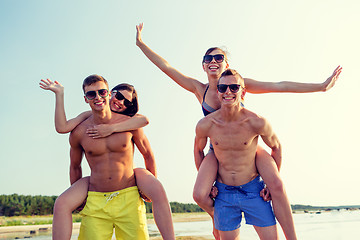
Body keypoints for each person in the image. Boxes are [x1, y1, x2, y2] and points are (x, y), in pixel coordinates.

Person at [135, 23, 342, 240]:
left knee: (277, 185)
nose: (213, 61)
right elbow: (166, 67)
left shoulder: (239, 83)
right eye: (208, 58)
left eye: (218, 58)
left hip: (247, 145)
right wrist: (141, 44)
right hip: (217, 148)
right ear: (203, 66)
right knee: (200, 194)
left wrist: (320, 86)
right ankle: (219, 217)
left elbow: (279, 85)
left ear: (226, 64)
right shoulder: (199, 89)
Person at [40, 77, 175, 240]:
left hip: (128, 194)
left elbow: (148, 154)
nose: (98, 97)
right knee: (61, 203)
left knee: (156, 186)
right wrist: (80, 199)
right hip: (97, 197)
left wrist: (147, 189)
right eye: (92, 94)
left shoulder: (130, 124)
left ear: (107, 93)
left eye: (102, 92)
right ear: (86, 98)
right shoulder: (80, 130)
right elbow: (75, 166)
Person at [194, 69, 281, 239]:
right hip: (223, 194)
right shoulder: (206, 125)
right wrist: (208, 183)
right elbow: (198, 150)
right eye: (223, 88)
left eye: (234, 88)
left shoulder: (257, 122)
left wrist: (269, 185)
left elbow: (276, 147)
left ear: (243, 92)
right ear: (217, 91)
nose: (228, 92)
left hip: (254, 191)